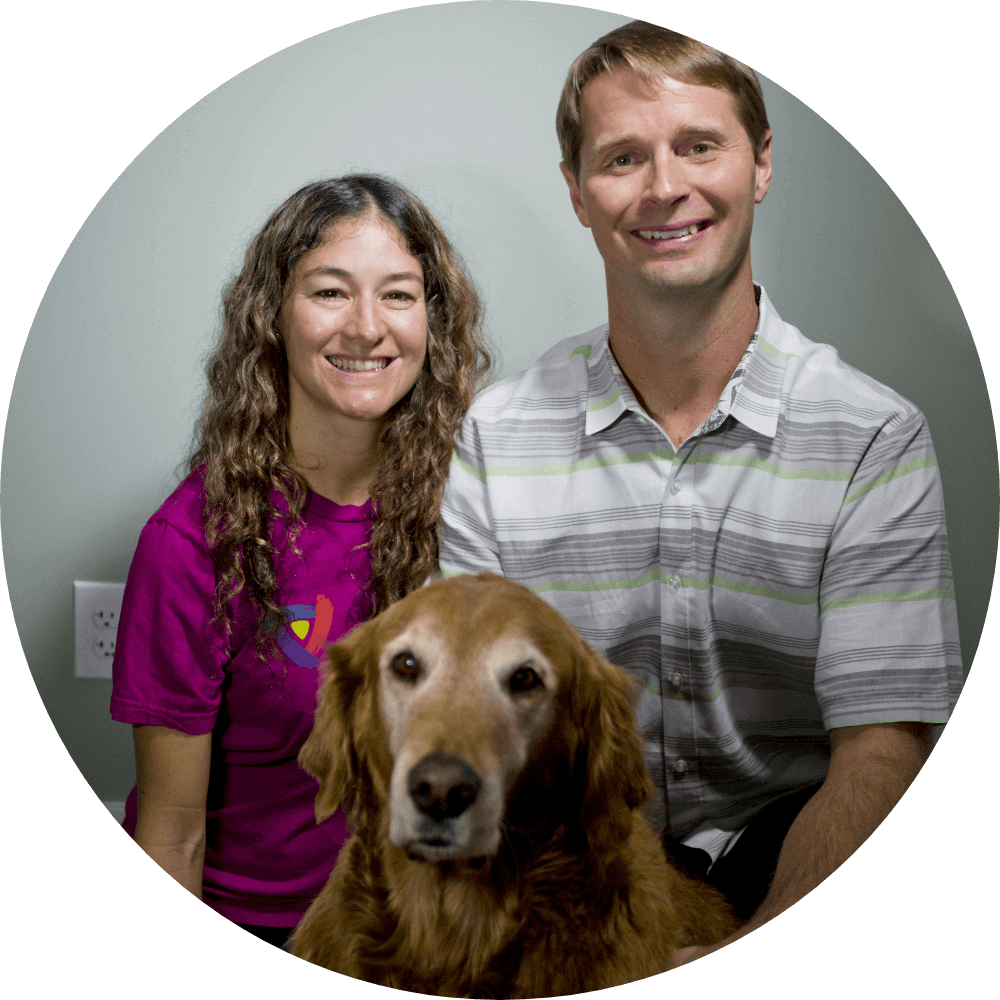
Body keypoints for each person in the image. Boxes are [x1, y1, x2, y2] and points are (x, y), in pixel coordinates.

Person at [438, 22, 961, 966]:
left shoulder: (873, 439)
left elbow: (882, 756)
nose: (664, 186)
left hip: (797, 865)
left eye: (699, 146)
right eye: (623, 157)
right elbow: (479, 738)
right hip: (575, 881)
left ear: (760, 164)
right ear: (577, 192)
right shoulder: (495, 439)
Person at [110, 175, 491, 948]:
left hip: (426, 927)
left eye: (398, 295)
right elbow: (172, 833)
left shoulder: (477, 512)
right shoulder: (190, 543)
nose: (365, 328)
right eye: (329, 292)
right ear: (272, 317)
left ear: (432, 323)